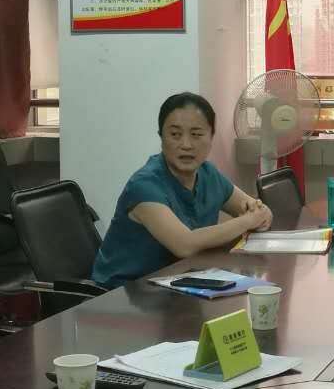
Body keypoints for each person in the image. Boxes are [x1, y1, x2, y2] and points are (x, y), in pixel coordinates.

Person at [92, 93, 273, 288]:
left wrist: (260, 213)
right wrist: (248, 220)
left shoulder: (208, 174)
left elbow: (256, 210)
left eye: (196, 135)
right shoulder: (144, 185)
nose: (186, 145)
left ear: (211, 137)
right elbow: (185, 244)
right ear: (161, 137)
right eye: (175, 135)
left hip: (179, 283)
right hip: (124, 293)